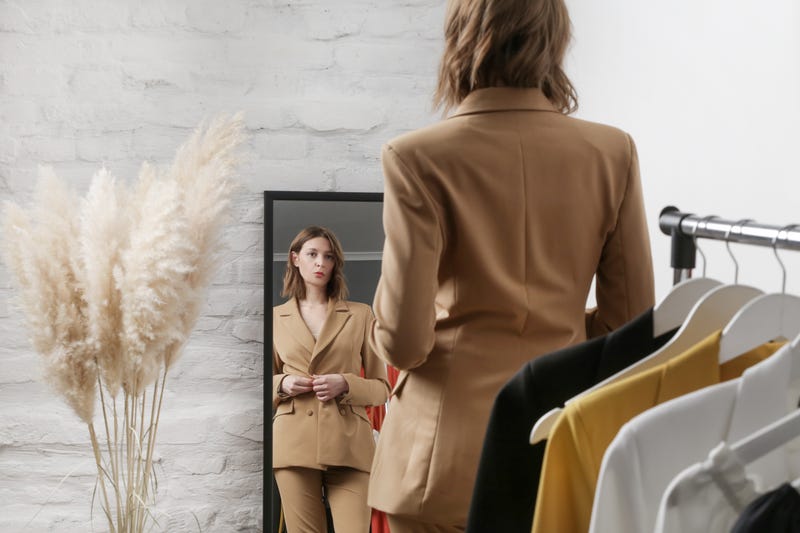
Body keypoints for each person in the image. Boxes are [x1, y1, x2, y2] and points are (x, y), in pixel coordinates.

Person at [367, 0, 656, 531]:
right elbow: (630, 326)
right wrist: (560, 325)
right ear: (554, 41)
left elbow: (405, 343)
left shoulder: (417, 157)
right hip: (561, 448)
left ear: (461, 39)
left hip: (440, 464)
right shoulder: (612, 152)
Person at [272, 225, 390, 533]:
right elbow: (260, 384)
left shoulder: (361, 315)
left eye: (328, 256)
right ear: (295, 259)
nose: (320, 263)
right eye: (312, 255)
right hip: (294, 443)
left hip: (350, 444)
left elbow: (383, 389)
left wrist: (347, 383)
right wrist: (282, 384)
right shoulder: (274, 318)